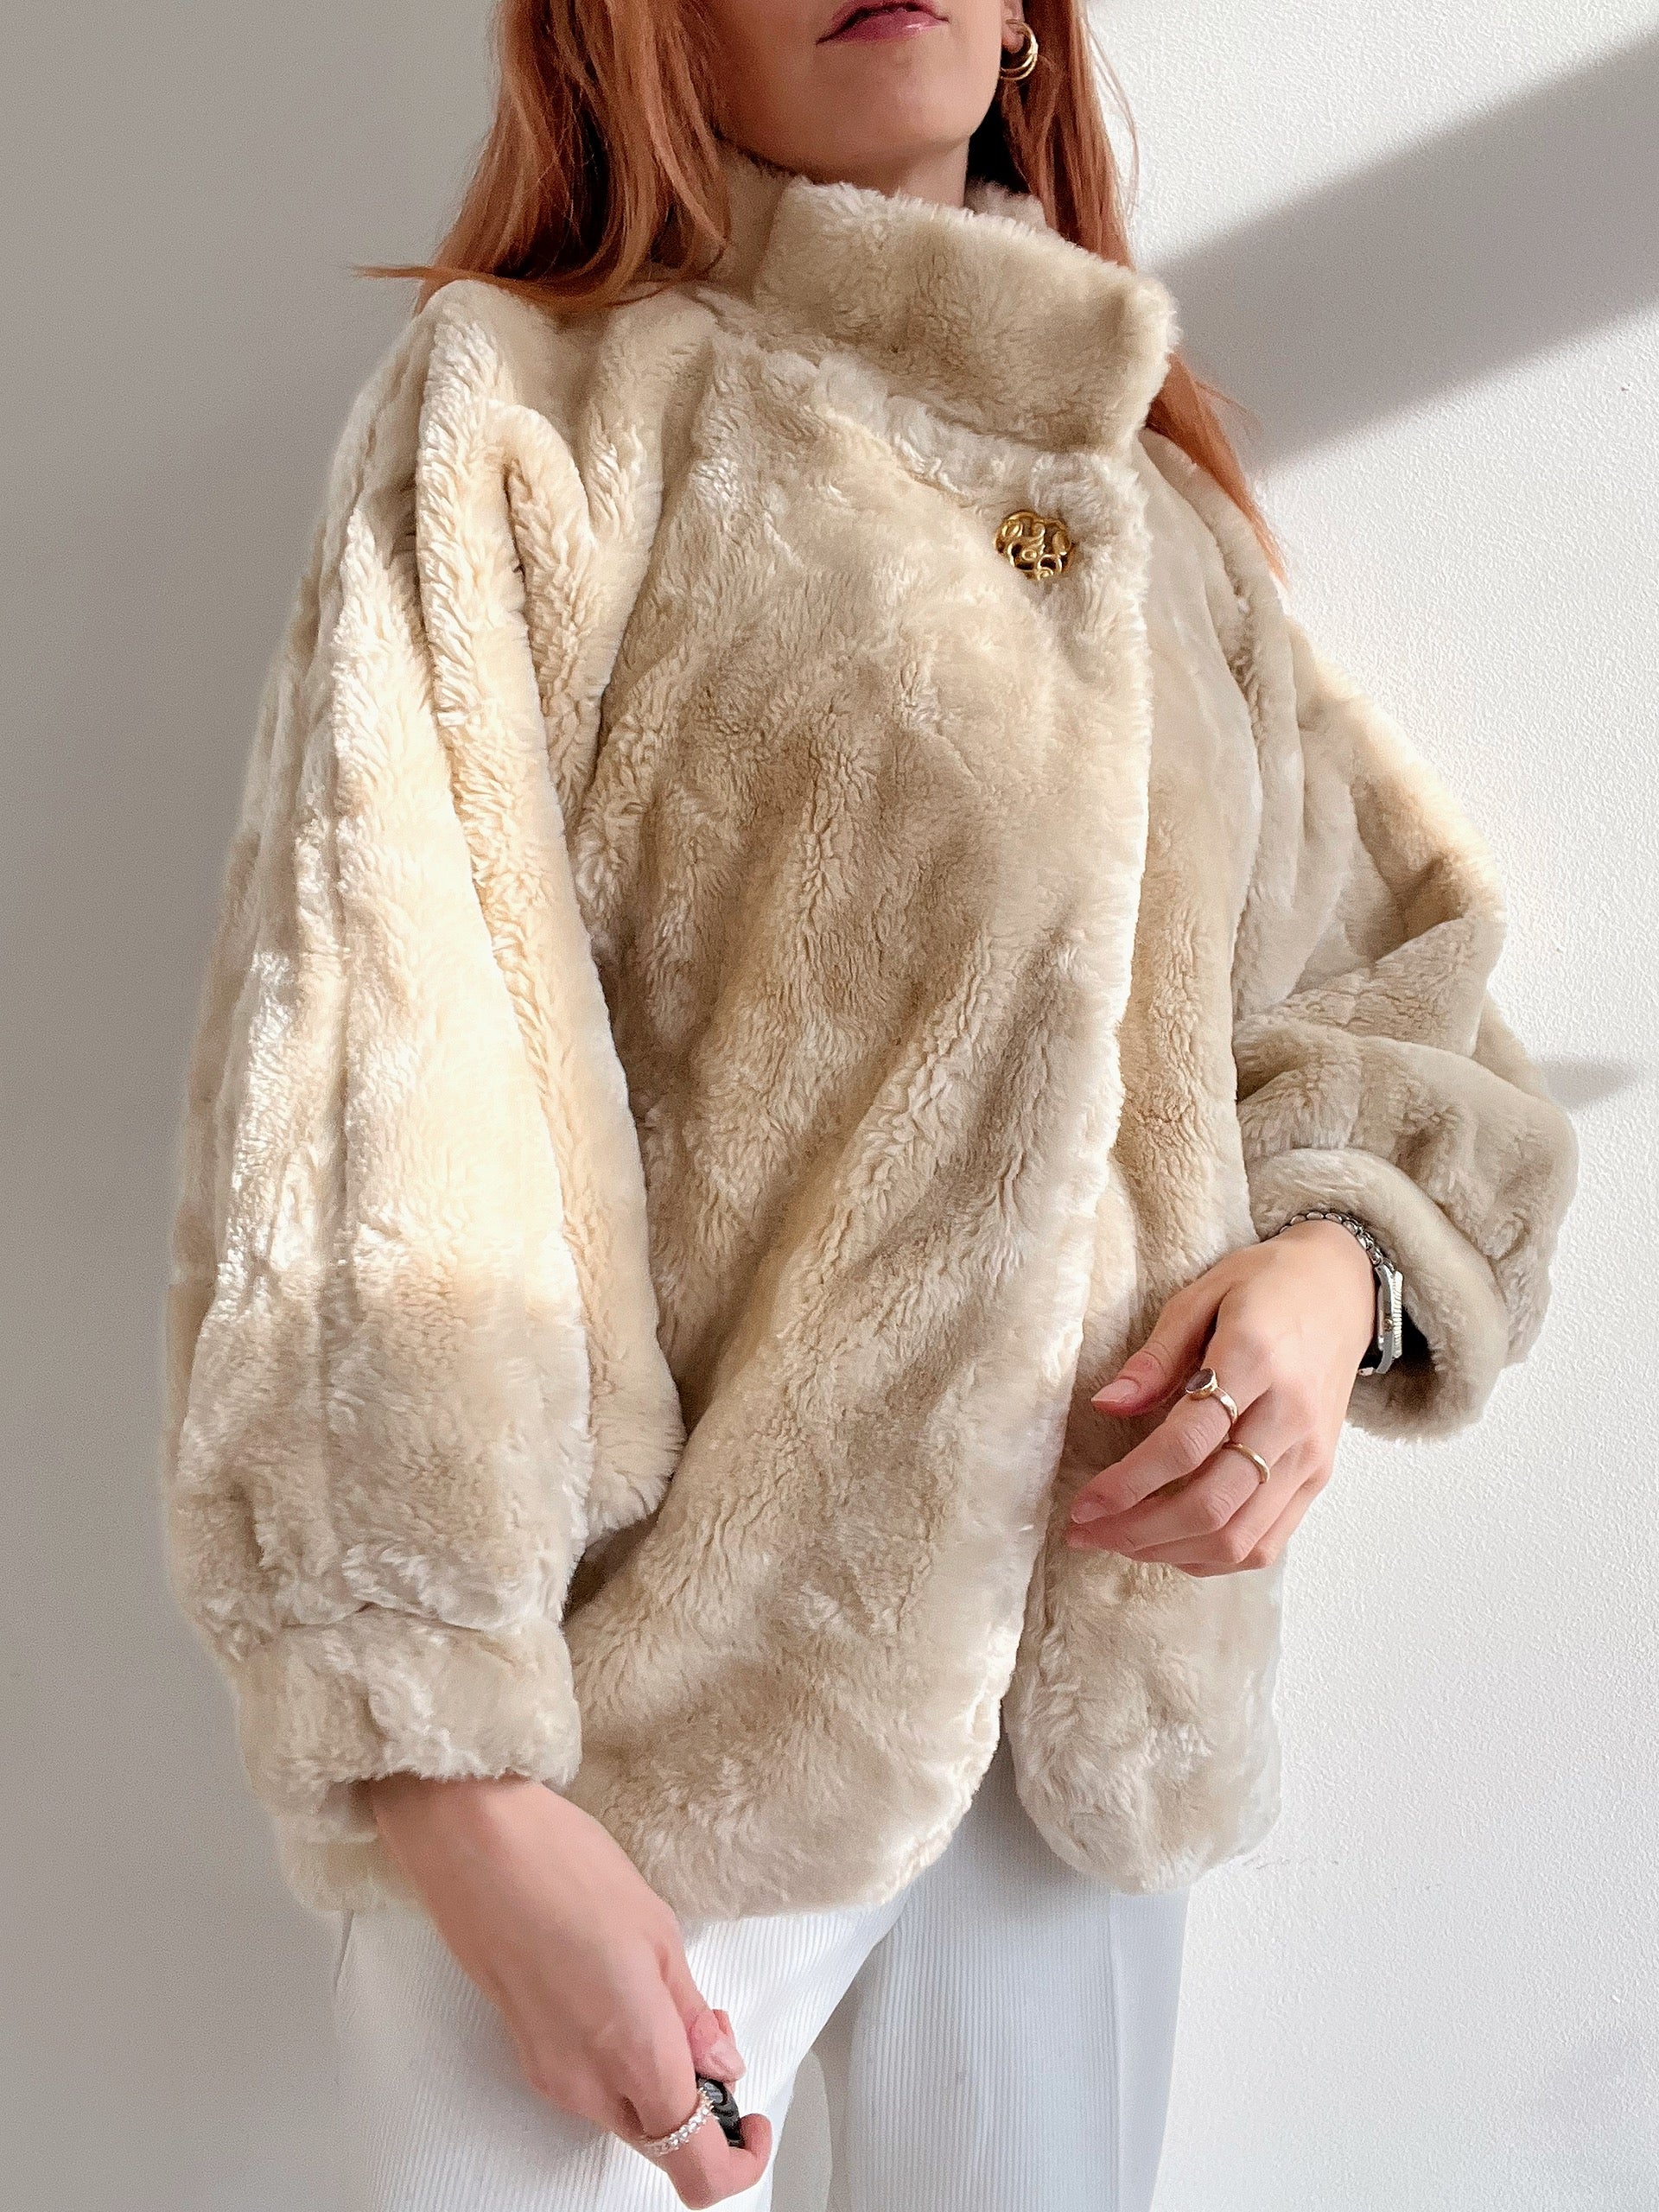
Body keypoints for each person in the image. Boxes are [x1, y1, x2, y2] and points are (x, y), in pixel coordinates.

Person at [158, 3, 1579, 2207]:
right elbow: (377, 1088)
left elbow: (1406, 999)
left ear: (1025, 27)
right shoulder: (538, 412)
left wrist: (1336, 1279)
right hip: (630, 1726)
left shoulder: (1158, 525)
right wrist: (456, 1783)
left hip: (1073, 1730)